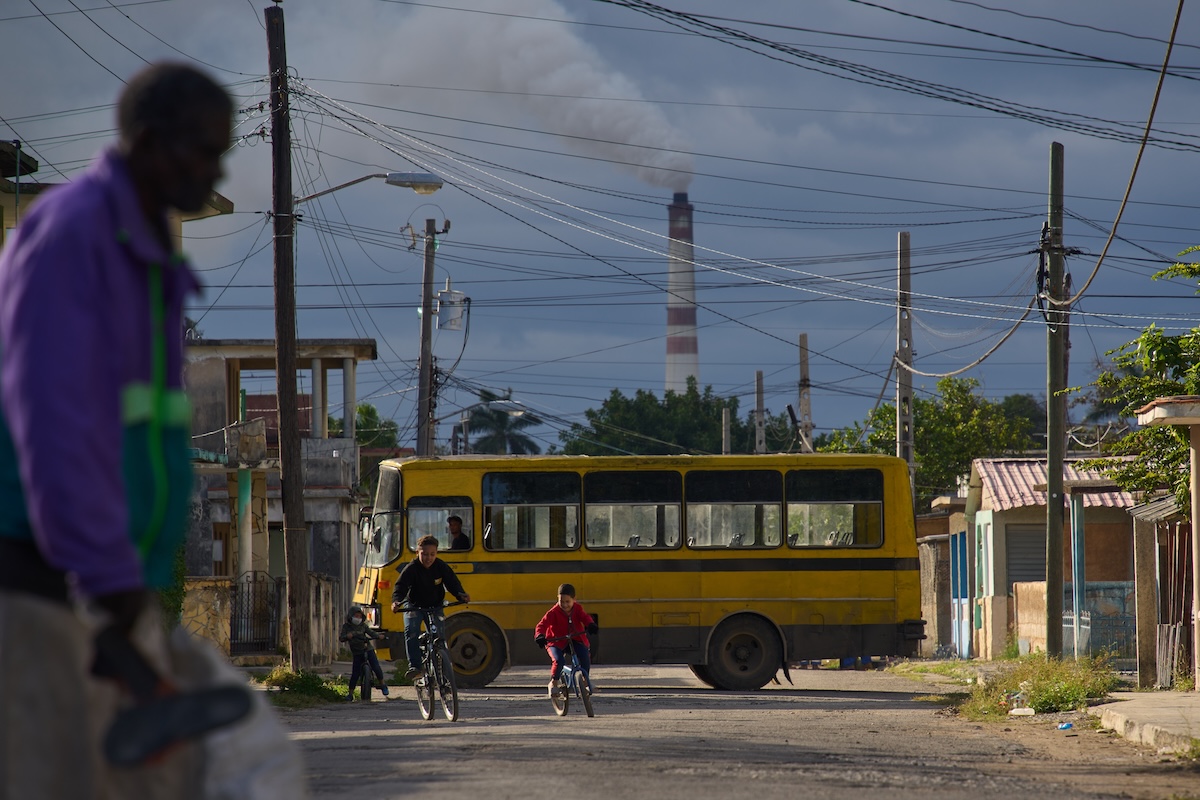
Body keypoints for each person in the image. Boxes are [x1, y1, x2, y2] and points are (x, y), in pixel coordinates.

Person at [0, 63, 233, 798]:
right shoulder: (73, 236)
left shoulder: (147, 255)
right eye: (203, 149)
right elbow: (56, 423)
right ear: (148, 142)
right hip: (42, 573)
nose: (215, 168)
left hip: (103, 582)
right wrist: (106, 576)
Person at [389, 535, 470, 680]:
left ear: (436, 553)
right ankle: (415, 666)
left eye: (432, 554)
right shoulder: (411, 569)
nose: (428, 558)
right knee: (411, 631)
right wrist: (396, 601)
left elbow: (452, 583)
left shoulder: (441, 566)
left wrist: (461, 595)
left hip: (435, 607)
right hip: (414, 606)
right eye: (424, 554)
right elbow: (400, 587)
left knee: (439, 636)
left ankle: (444, 673)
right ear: (417, 553)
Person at [534, 583, 598, 698]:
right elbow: (541, 625)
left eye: (567, 602)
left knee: (584, 655)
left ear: (574, 599)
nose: (564, 605)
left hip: (574, 639)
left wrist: (590, 624)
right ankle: (553, 683)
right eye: (561, 601)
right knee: (559, 661)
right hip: (556, 641)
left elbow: (585, 617)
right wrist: (540, 635)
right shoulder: (553, 612)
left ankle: (585, 680)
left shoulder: (577, 609)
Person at [339, 606, 390, 701]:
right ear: (350, 616)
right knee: (355, 673)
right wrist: (347, 636)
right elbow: (341, 638)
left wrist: (379, 636)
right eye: (356, 616)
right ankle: (350, 693)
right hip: (357, 652)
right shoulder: (346, 627)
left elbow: (371, 633)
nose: (358, 618)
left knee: (376, 667)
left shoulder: (363, 626)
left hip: (368, 649)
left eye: (359, 616)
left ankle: (382, 684)